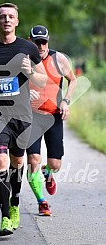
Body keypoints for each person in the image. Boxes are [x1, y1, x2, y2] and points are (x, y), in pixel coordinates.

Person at [0, 3, 47, 236]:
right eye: (2, 17)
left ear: (16, 21)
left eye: (11, 17)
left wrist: (30, 71)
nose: (6, 20)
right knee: (1, 163)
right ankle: (5, 217)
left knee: (17, 163)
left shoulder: (28, 48)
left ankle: (15, 202)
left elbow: (44, 81)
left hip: (22, 115)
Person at [26, 25, 76, 216]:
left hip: (54, 115)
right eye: (36, 42)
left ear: (48, 41)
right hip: (31, 116)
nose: (40, 46)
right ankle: (42, 202)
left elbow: (73, 80)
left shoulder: (59, 59)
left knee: (55, 164)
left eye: (43, 42)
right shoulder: (24, 60)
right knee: (33, 159)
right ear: (29, 41)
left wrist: (65, 101)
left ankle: (48, 173)